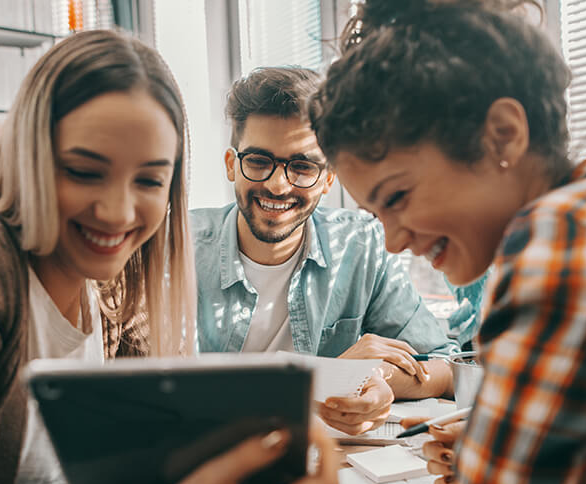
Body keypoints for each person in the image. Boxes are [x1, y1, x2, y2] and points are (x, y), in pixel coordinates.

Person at [0, 30, 346, 484]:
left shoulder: (118, 280)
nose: (116, 212)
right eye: (84, 171)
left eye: (149, 180)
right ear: (30, 158)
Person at [311, 0, 586, 484]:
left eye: (397, 197)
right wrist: (504, 438)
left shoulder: (567, 239)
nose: (395, 242)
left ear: (502, 135)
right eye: (377, 214)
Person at [191, 66, 458, 436]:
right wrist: (326, 378)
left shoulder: (361, 244)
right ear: (231, 166)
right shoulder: (179, 249)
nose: (278, 185)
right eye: (258, 161)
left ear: (328, 178)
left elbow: (443, 365)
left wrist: (376, 379)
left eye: (301, 166)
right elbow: (166, 391)